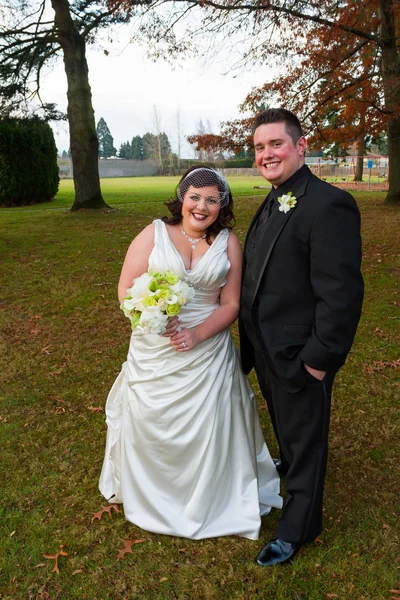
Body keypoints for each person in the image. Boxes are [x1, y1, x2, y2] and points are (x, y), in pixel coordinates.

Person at [99, 166, 282, 540]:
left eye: (212, 200)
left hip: (208, 351)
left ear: (222, 206)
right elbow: (124, 291)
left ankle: (214, 495)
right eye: (195, 197)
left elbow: (231, 304)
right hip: (156, 349)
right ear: (182, 198)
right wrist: (150, 317)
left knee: (212, 424)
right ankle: (152, 494)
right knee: (153, 421)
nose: (202, 206)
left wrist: (197, 334)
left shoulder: (228, 242)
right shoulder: (154, 234)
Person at [239, 108, 364, 566]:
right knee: (288, 427)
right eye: (259, 147)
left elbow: (342, 293)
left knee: (307, 436)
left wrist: (318, 359)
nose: (267, 154)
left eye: (276, 144)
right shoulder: (275, 198)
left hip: (301, 352)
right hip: (267, 347)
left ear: (300, 146)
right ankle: (288, 464)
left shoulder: (327, 203)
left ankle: (298, 528)